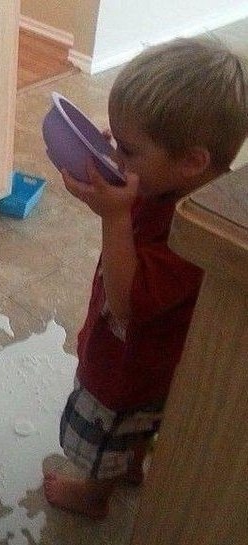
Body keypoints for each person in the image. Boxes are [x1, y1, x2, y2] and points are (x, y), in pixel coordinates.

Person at [44, 37, 248, 519]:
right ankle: (131, 463)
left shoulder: (194, 229)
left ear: (192, 162)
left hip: (130, 370)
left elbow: (127, 304)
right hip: (152, 370)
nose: (116, 157)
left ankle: (94, 496)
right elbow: (140, 186)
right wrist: (111, 165)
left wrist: (113, 217)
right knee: (137, 428)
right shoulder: (168, 183)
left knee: (107, 432)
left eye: (128, 150)